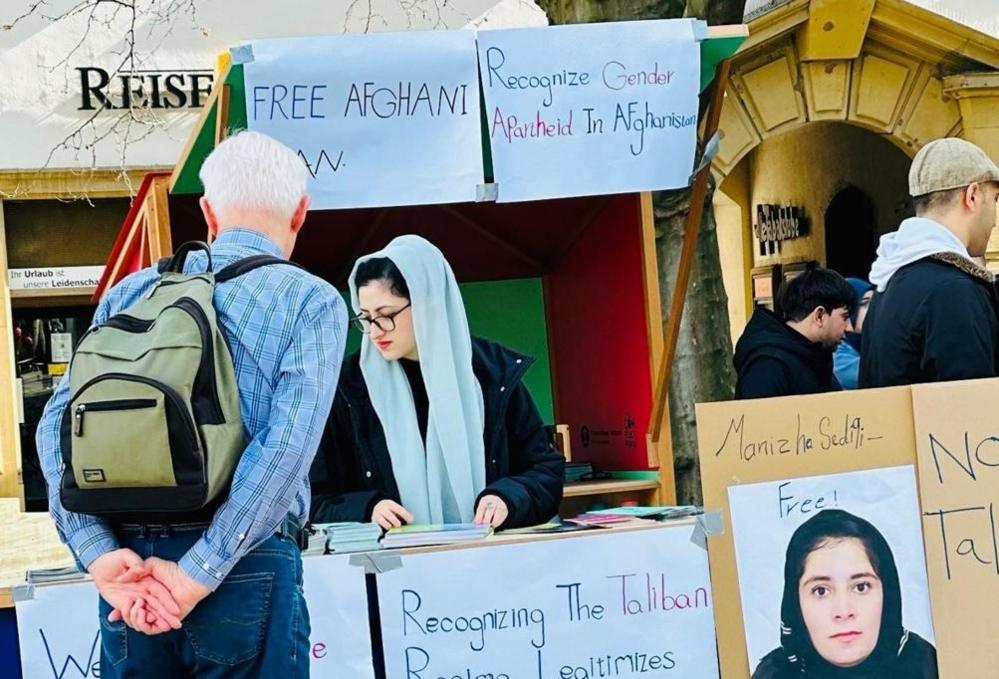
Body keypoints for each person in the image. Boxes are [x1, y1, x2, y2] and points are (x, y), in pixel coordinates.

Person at [36, 131, 347, 677]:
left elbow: (56, 426)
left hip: (128, 569)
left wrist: (99, 554)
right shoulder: (310, 300)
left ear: (207, 210)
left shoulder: (131, 294)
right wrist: (196, 573)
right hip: (244, 567)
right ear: (301, 213)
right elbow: (285, 450)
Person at [310, 235, 565, 531]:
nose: (374, 331)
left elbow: (546, 472)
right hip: (389, 568)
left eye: (386, 315)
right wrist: (368, 508)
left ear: (427, 302)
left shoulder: (494, 375)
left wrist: (506, 498)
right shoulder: (347, 388)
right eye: (366, 318)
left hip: (487, 560)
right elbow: (313, 496)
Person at [860, 137, 999, 388]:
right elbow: (974, 410)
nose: (994, 220)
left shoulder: (888, 280)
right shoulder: (954, 289)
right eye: (996, 199)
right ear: (973, 195)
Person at [753, 509, 937, 679]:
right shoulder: (773, 674)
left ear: (888, 594)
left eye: (861, 587)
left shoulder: (930, 667)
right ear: (795, 604)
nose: (843, 611)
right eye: (821, 591)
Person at [734, 264, 856, 399]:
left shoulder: (815, 357)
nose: (849, 327)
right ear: (819, 316)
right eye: (844, 317)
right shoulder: (768, 368)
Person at [833, 279, 874, 390]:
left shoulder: (868, 345)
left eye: (875, 303)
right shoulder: (837, 355)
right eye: (865, 303)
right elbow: (880, 376)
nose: (873, 309)